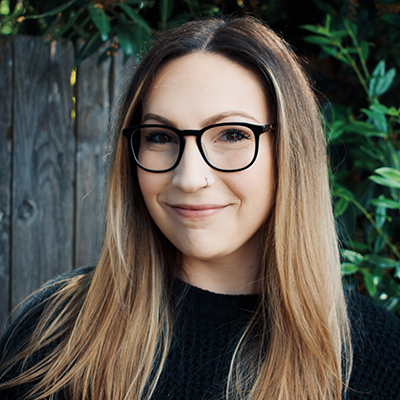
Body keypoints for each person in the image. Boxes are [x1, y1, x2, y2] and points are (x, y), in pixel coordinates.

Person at [1, 15, 400, 400]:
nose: (190, 178)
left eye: (231, 134)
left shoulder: (382, 360)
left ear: (290, 152)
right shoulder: (51, 334)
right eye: (160, 136)